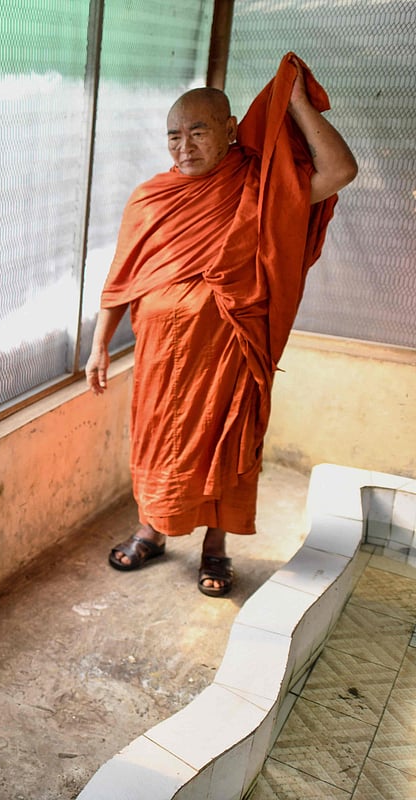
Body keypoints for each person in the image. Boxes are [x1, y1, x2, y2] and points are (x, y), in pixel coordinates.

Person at [85, 53, 357, 597]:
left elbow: (340, 171)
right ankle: (153, 530)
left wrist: (298, 103)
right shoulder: (149, 199)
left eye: (198, 132)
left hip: (231, 351)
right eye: (173, 136)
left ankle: (215, 547)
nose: (184, 147)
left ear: (231, 130)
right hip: (162, 354)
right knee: (160, 442)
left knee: (227, 443)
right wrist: (96, 348)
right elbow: (120, 278)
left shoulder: (260, 187)